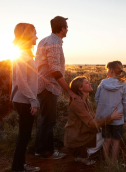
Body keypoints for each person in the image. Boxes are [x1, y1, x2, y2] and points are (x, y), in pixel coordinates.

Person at [35, 16, 80, 159]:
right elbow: (55, 71)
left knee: (46, 119)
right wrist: (68, 91)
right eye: (66, 27)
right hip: (48, 87)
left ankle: (41, 150)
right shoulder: (54, 43)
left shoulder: (45, 40)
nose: (67, 30)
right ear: (62, 29)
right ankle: (45, 152)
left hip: (43, 85)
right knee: (49, 120)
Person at [64, 76, 123, 165]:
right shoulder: (78, 103)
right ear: (80, 88)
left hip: (82, 133)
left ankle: (85, 153)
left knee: (105, 129)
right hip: (76, 138)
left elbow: (94, 119)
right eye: (87, 83)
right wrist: (111, 117)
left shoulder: (86, 101)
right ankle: (83, 155)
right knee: (104, 133)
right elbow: (91, 123)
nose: (90, 83)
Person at [11, 23, 40, 172]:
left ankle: (20, 165)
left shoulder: (26, 53)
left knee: (25, 135)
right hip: (24, 101)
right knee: (24, 135)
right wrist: (33, 100)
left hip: (24, 99)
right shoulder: (22, 54)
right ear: (27, 35)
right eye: (35, 33)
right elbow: (22, 82)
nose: (37, 36)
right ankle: (17, 167)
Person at [95, 61, 126, 163]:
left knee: (106, 139)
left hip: (105, 117)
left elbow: (96, 98)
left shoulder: (102, 83)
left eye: (107, 70)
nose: (106, 72)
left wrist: (104, 108)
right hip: (118, 117)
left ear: (111, 70)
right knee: (116, 140)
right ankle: (113, 162)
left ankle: (106, 161)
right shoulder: (123, 84)